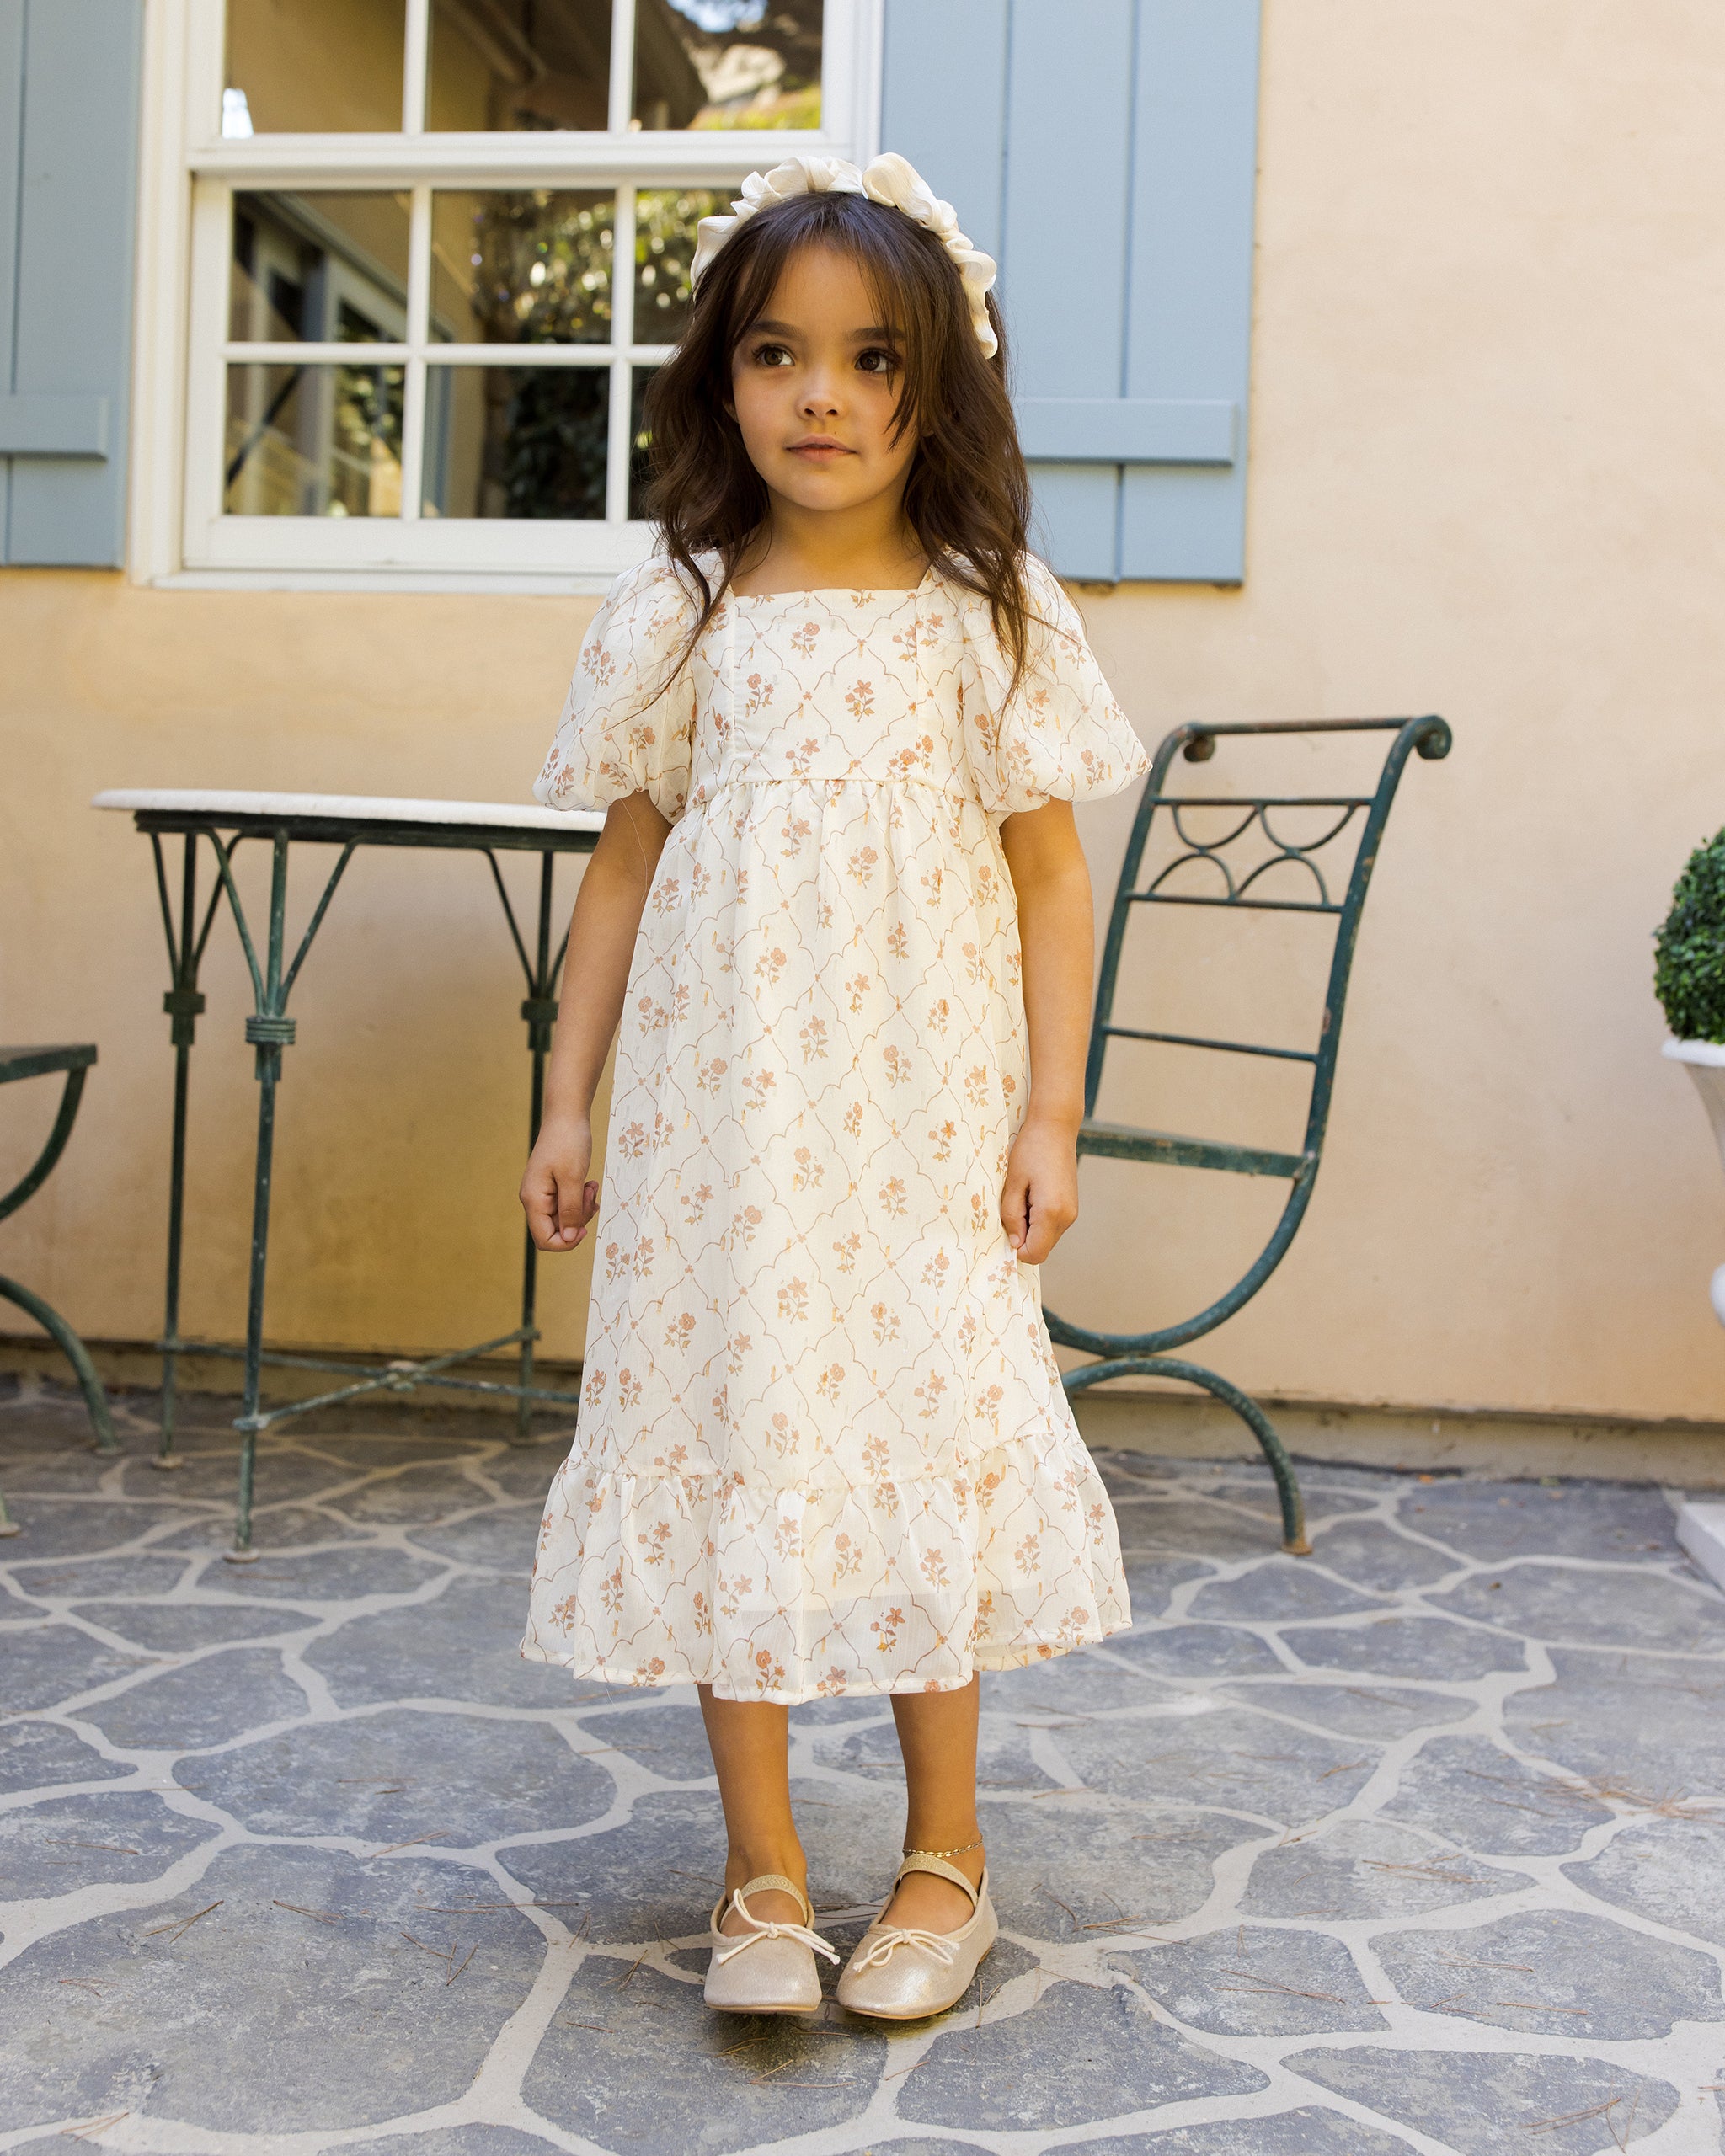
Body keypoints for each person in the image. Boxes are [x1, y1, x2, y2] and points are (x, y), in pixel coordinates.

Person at [517, 152, 1151, 2021]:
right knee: (740, 1433)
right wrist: (566, 1104)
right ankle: (764, 1869)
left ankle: (946, 1857)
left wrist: (1051, 1112)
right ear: (721, 379)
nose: (823, 396)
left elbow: (1051, 877)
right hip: (720, 1129)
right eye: (778, 354)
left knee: (916, 1429)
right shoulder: (685, 613)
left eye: (873, 360)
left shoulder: (988, 613)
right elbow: (621, 870)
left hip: (920, 1124)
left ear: (936, 389)